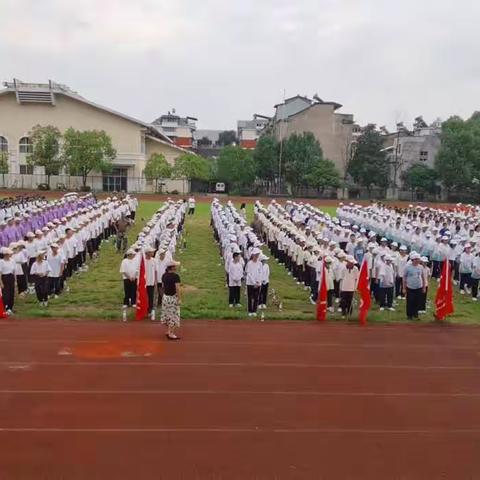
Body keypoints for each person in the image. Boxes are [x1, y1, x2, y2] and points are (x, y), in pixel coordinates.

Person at [161, 261, 182, 340]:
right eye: (175, 266)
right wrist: (179, 299)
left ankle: (168, 331)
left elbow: (163, 286)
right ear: (172, 267)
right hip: (172, 298)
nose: (176, 267)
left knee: (167, 314)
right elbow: (177, 288)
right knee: (174, 315)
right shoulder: (176, 276)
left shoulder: (164, 275)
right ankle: (171, 333)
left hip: (166, 297)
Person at [403, 253, 426, 320]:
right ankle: (409, 315)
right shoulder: (407, 267)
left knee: (417, 301)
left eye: (418, 259)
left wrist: (424, 287)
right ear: (412, 260)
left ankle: (415, 314)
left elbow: (423, 277)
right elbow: (404, 277)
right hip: (410, 287)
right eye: (416, 259)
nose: (417, 261)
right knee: (410, 301)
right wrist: (404, 288)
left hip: (418, 287)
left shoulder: (420, 267)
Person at [245, 248, 263, 317]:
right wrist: (254, 282)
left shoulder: (260, 264)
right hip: (250, 283)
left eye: (257, 255)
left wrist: (258, 281)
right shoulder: (249, 263)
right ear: (253, 255)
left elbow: (260, 273)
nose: (256, 256)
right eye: (255, 255)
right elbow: (249, 274)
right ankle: (250, 310)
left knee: (256, 297)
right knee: (250, 297)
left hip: (258, 283)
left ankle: (254, 310)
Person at [0, 247, 16, 314]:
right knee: (5, 294)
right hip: (4, 277)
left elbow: (14, 272)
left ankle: (10, 308)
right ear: (5, 254)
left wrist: (15, 281)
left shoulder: (12, 261)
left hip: (11, 277)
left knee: (11, 293)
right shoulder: (1, 262)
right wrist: (1, 283)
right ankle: (5, 308)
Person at [144, 247, 157, 317]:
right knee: (144, 296)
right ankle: (144, 309)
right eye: (151, 252)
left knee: (151, 296)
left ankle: (150, 310)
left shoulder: (154, 261)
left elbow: (155, 271)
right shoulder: (143, 261)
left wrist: (155, 281)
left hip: (151, 282)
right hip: (144, 283)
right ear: (147, 253)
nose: (153, 253)